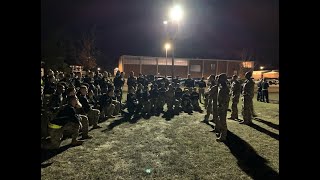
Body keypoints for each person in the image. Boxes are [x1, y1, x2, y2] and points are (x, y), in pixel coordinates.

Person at [216, 73, 230, 142]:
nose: (218, 79)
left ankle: (223, 136)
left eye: (219, 78)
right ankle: (221, 133)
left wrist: (222, 106)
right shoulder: (221, 86)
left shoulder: (225, 88)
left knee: (222, 121)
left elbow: (226, 98)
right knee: (220, 120)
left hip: (223, 107)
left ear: (223, 79)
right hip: (220, 105)